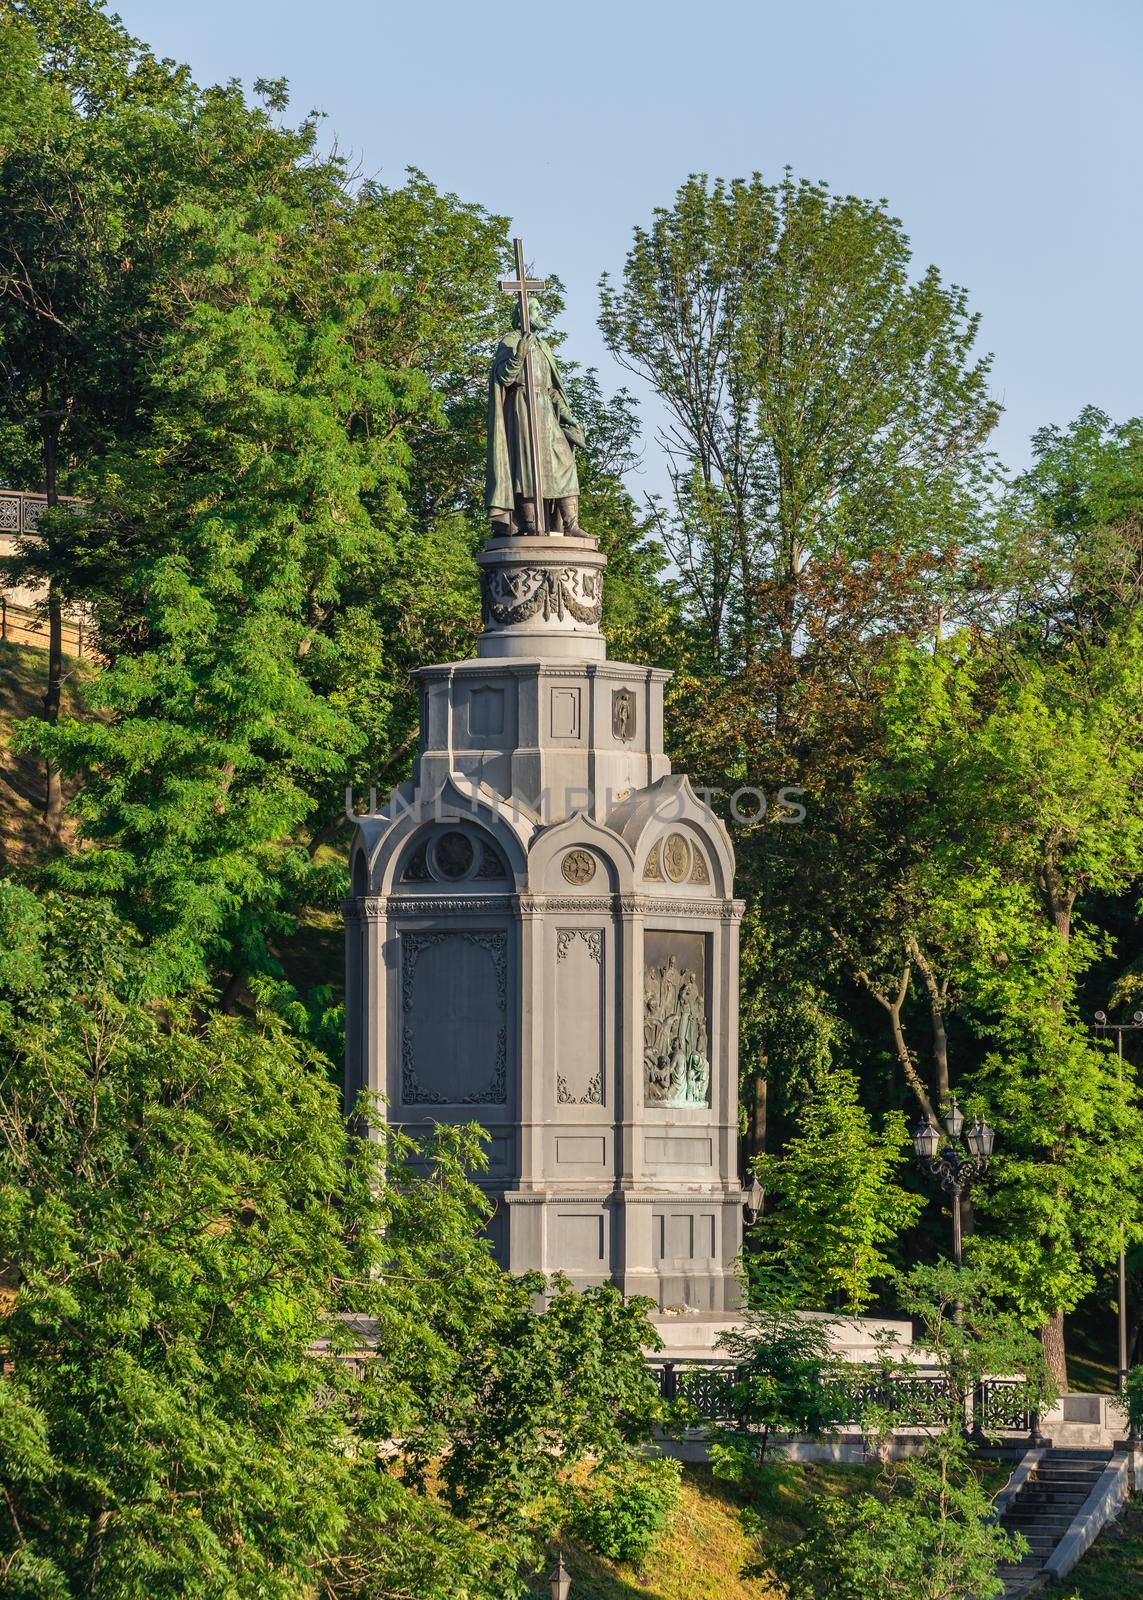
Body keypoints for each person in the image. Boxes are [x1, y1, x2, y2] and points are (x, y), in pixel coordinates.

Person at [485, 302, 586, 535]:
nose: (541, 314)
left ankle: (572, 526)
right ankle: (531, 526)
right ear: (525, 315)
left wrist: (569, 418)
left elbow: (552, 389)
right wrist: (519, 353)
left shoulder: (543, 346)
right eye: (537, 310)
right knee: (527, 468)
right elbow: (504, 377)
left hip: (546, 411)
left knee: (565, 463)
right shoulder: (510, 341)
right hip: (522, 407)